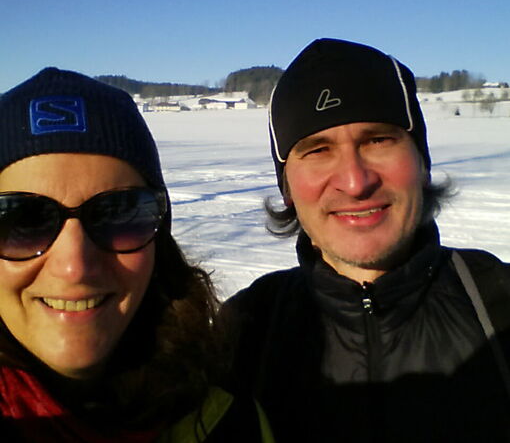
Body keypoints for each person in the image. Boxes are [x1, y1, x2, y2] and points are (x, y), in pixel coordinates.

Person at [224, 39, 510, 442]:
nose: (356, 182)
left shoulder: (498, 305)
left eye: (378, 140)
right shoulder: (242, 332)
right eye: (318, 150)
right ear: (287, 187)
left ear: (422, 163)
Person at [0, 68, 274, 442]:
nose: (74, 266)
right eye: (24, 220)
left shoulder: (226, 421)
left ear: (159, 240)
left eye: (118, 214)